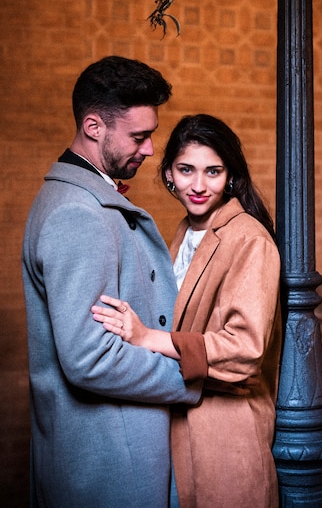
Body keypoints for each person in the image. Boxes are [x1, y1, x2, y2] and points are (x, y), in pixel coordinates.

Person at [21, 56, 203, 508]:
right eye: (139, 137)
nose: (149, 149)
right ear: (94, 126)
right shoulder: (76, 213)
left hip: (106, 454)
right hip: (110, 466)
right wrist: (192, 377)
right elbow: (88, 357)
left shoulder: (78, 199)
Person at [92, 113, 282, 508]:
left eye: (213, 172)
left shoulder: (249, 238)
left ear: (230, 176)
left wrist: (146, 337)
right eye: (186, 170)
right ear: (168, 175)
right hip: (180, 426)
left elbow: (245, 349)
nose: (198, 185)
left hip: (226, 434)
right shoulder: (184, 231)